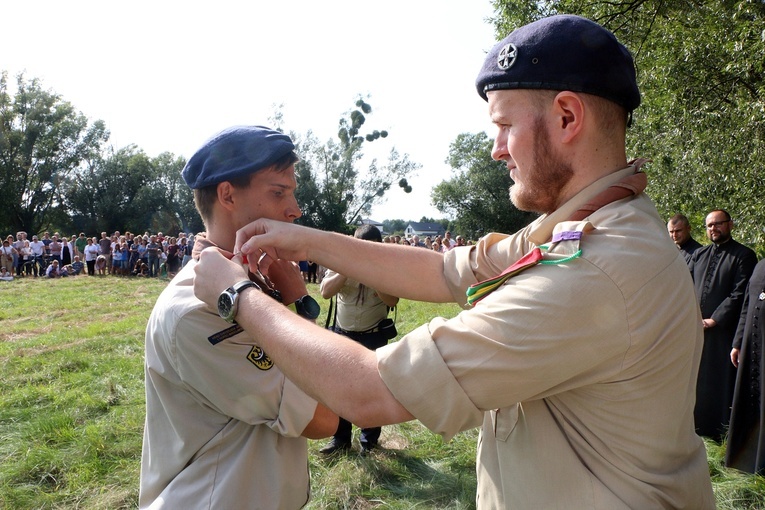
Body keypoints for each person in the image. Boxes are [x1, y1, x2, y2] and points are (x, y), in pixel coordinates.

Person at [192, 15, 714, 509]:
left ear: (567, 116)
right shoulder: (585, 225)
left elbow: (371, 391)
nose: (496, 149)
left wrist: (236, 295)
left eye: (505, 125)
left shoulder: (601, 268)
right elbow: (444, 270)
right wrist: (310, 241)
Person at [139, 125, 337, 509]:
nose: (295, 209)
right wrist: (299, 304)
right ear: (227, 195)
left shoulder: (251, 284)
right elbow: (323, 417)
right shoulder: (199, 312)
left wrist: (290, 295)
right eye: (279, 192)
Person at [318, 224, 400, 455]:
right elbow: (325, 292)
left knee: (373, 390)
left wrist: (370, 272)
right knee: (340, 390)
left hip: (373, 336)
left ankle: (369, 443)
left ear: (377, 245)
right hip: (343, 335)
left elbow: (392, 300)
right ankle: (340, 440)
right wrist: (347, 268)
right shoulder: (340, 260)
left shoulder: (387, 265)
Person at [689, 209, 757, 440]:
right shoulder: (699, 255)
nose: (713, 229)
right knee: (695, 381)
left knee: (719, 381)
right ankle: (695, 430)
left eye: (718, 224)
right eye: (709, 225)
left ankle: (720, 433)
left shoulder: (744, 255)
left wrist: (714, 319)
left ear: (730, 224)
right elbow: (685, 287)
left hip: (724, 332)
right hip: (695, 329)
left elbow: (739, 294)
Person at [726, 257, 765, 474]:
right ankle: (745, 458)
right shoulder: (760, 265)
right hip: (751, 346)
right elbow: (746, 307)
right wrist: (738, 342)